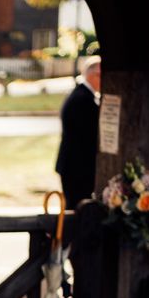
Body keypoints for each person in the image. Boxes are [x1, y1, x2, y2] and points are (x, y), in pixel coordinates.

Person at [55, 55, 101, 210]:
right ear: (92, 75)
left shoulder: (82, 94)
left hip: (74, 165)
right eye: (101, 76)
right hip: (76, 167)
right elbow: (88, 134)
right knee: (77, 209)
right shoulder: (82, 99)